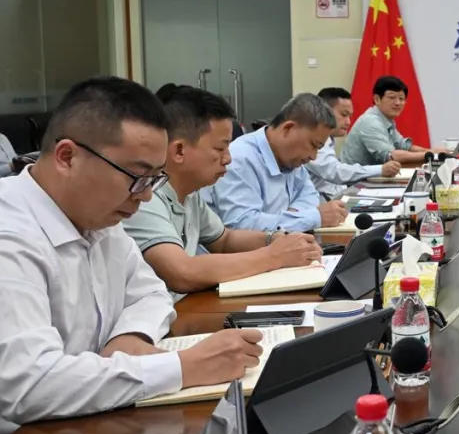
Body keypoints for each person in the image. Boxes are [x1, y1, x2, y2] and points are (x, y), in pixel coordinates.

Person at [0, 76, 263, 434]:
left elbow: (151, 292)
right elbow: (31, 384)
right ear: (67, 157)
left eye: (155, 179)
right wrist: (181, 368)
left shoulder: (98, 216)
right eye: (137, 176)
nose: (146, 196)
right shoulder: (11, 235)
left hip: (90, 422)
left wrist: (130, 335)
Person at [123, 85, 324, 295]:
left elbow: (224, 240)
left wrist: (276, 239)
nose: (228, 158)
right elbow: (182, 272)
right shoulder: (145, 197)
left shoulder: (190, 194)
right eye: (220, 149)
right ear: (179, 151)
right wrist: (275, 255)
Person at [204, 93, 347, 232]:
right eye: (313, 145)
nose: (313, 156)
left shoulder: (292, 158)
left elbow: (309, 195)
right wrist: (311, 218)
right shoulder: (239, 158)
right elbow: (243, 226)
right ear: (287, 128)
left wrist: (291, 219)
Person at [307, 87, 400, 199]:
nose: (348, 122)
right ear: (324, 112)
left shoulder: (329, 139)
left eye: (350, 116)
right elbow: (335, 172)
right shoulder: (313, 138)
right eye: (343, 115)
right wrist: (380, 170)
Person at [341, 76, 447, 166]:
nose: (397, 103)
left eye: (401, 99)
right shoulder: (370, 122)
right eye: (392, 98)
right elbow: (391, 156)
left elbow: (405, 147)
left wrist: (433, 152)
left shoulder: (386, 119)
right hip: (354, 182)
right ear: (377, 99)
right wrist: (430, 154)